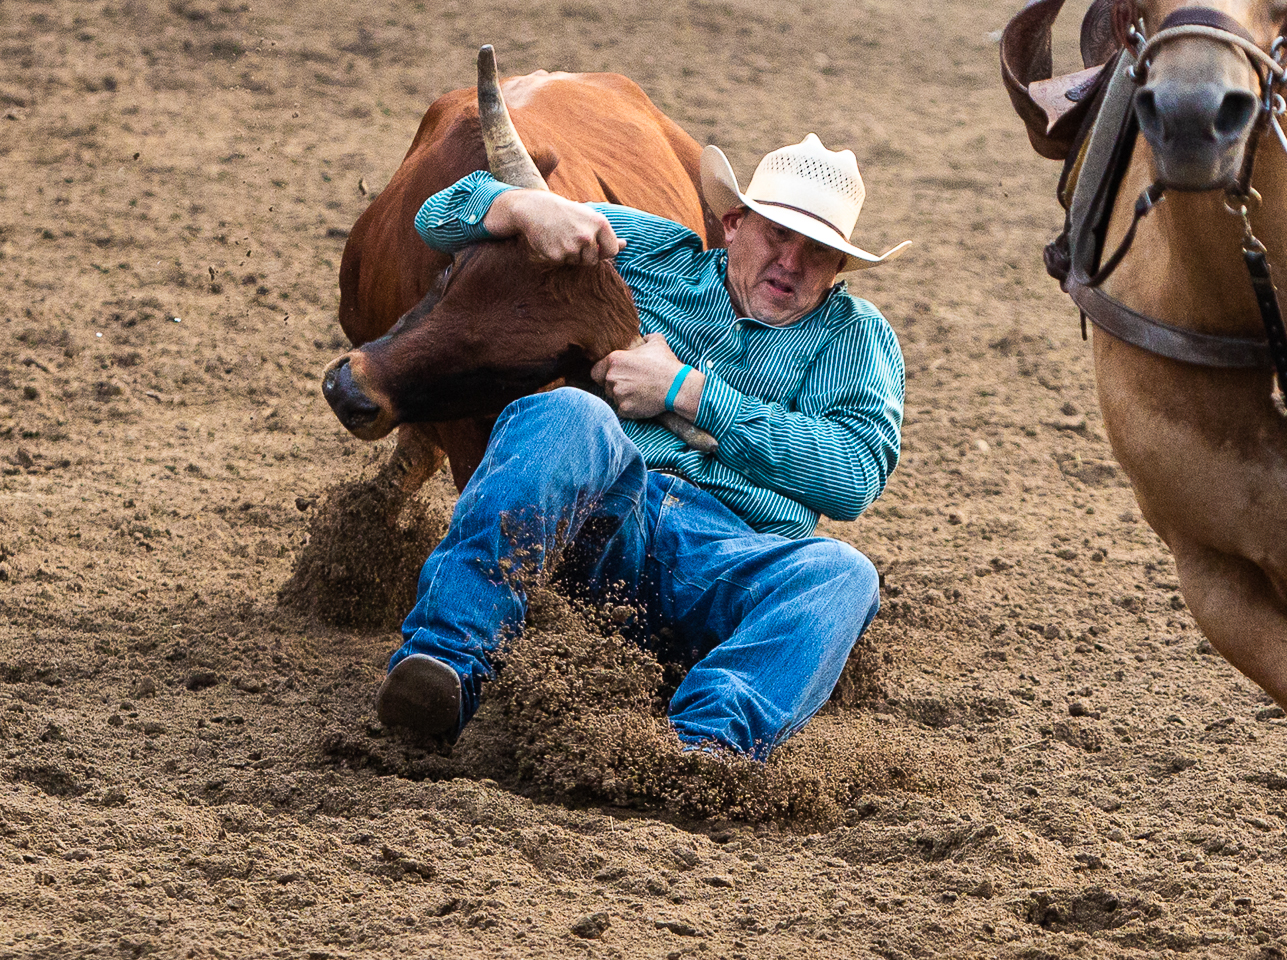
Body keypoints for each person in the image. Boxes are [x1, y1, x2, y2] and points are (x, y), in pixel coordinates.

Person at [374, 133, 908, 759]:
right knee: (569, 414)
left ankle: (698, 755)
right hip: (609, 511)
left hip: (736, 556)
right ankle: (446, 664)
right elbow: (437, 218)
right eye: (776, 236)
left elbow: (850, 476)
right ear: (733, 225)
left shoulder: (857, 336)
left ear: (839, 267)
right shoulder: (652, 254)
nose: (791, 262)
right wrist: (522, 209)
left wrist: (687, 392)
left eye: (817, 251)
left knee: (843, 574)